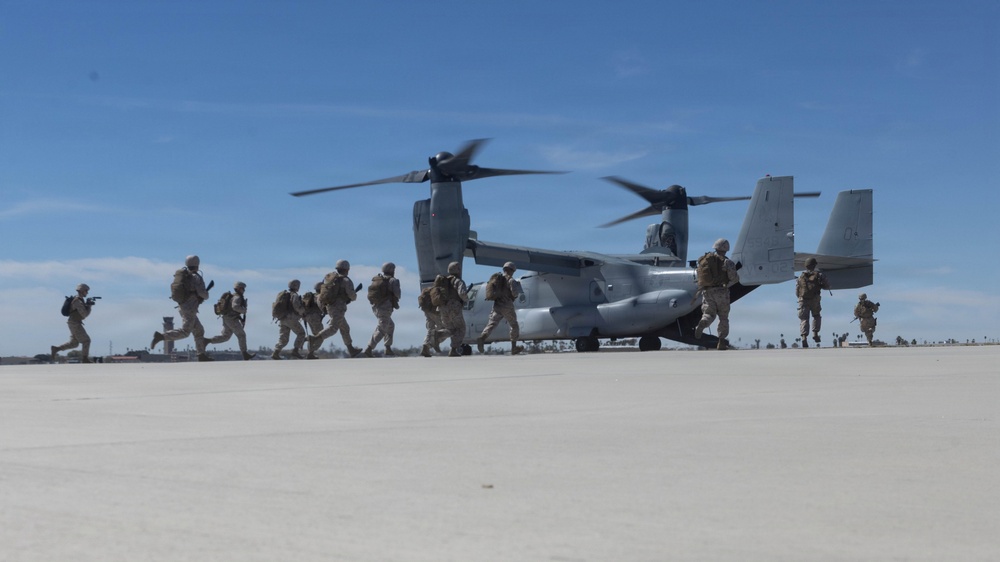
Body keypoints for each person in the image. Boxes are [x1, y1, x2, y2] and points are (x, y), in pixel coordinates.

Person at [151, 255, 213, 361]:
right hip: (190, 308)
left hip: (183, 306)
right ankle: (161, 336)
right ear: (197, 265)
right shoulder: (196, 277)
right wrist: (206, 294)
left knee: (199, 330)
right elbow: (203, 295)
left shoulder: (185, 276)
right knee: (185, 332)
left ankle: (201, 354)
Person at [308, 259, 362, 358]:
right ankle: (315, 339)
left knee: (345, 328)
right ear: (347, 269)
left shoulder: (331, 279)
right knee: (333, 328)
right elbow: (352, 296)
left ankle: (351, 349)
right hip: (339, 308)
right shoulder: (346, 280)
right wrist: (350, 297)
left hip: (330, 306)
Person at [694, 238, 739, 350]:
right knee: (723, 317)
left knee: (709, 314)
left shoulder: (705, 260)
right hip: (722, 292)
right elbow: (734, 278)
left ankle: (703, 322)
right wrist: (727, 285)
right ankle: (721, 342)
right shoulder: (727, 262)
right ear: (726, 248)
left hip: (707, 291)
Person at [477, 261, 523, 355]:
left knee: (492, 324)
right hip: (507, 305)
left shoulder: (498, 279)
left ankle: (482, 337)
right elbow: (515, 293)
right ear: (511, 270)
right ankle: (514, 347)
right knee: (514, 325)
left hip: (497, 305)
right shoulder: (511, 280)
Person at [205, 281, 255, 360]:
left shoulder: (233, 296)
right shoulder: (237, 297)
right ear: (238, 289)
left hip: (227, 318)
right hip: (232, 319)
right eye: (243, 289)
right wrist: (243, 310)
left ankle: (207, 341)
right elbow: (235, 307)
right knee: (241, 335)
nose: (244, 290)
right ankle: (245, 353)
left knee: (225, 337)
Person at [363, 262, 401, 357]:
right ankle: (369, 348)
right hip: (385, 307)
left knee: (390, 325)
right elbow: (398, 294)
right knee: (382, 328)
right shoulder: (393, 281)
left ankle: (387, 348)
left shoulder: (378, 279)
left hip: (376, 307)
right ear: (392, 270)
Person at [51, 283, 95, 363]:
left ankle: (56, 348)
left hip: (73, 322)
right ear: (82, 291)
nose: (87, 293)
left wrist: (87, 305)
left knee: (74, 343)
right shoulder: (77, 301)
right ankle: (85, 359)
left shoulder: (79, 300)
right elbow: (84, 314)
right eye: (86, 291)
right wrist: (89, 306)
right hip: (75, 323)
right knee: (86, 340)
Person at [795, 257, 831, 348]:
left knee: (804, 319)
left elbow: (797, 291)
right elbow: (826, 285)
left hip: (803, 300)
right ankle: (815, 333)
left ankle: (804, 337)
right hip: (815, 299)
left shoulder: (800, 277)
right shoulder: (819, 275)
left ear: (806, 265)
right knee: (816, 316)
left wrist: (802, 297)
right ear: (814, 265)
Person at [438, 261, 470, 357]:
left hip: (442, 307)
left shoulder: (443, 281)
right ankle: (453, 350)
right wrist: (466, 300)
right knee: (460, 328)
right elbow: (462, 293)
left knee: (451, 329)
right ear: (458, 270)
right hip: (454, 307)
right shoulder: (458, 281)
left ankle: (437, 334)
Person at [272, 279, 307, 360]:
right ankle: (295, 350)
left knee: (283, 338)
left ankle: (276, 352)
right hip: (291, 318)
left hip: (282, 319)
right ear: (296, 286)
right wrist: (303, 312)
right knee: (301, 333)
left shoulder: (284, 295)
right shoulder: (294, 295)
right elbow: (296, 306)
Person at [418, 285, 446, 357]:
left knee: (430, 330)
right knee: (443, 329)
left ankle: (426, 345)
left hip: (426, 311)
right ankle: (433, 343)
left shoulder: (427, 290)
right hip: (434, 312)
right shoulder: (439, 290)